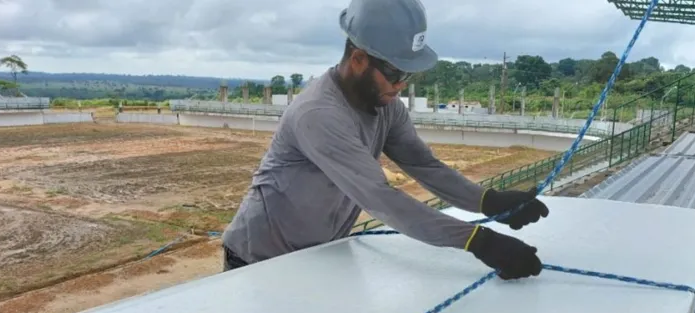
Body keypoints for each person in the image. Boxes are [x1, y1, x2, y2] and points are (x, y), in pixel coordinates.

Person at [221, 0, 549, 280]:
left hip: (319, 252)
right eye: (394, 73)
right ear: (359, 60)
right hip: (259, 258)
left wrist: (487, 201)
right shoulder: (319, 114)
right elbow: (379, 198)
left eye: (408, 76)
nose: (401, 85)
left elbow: (423, 164)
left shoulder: (385, 104)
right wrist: (479, 241)